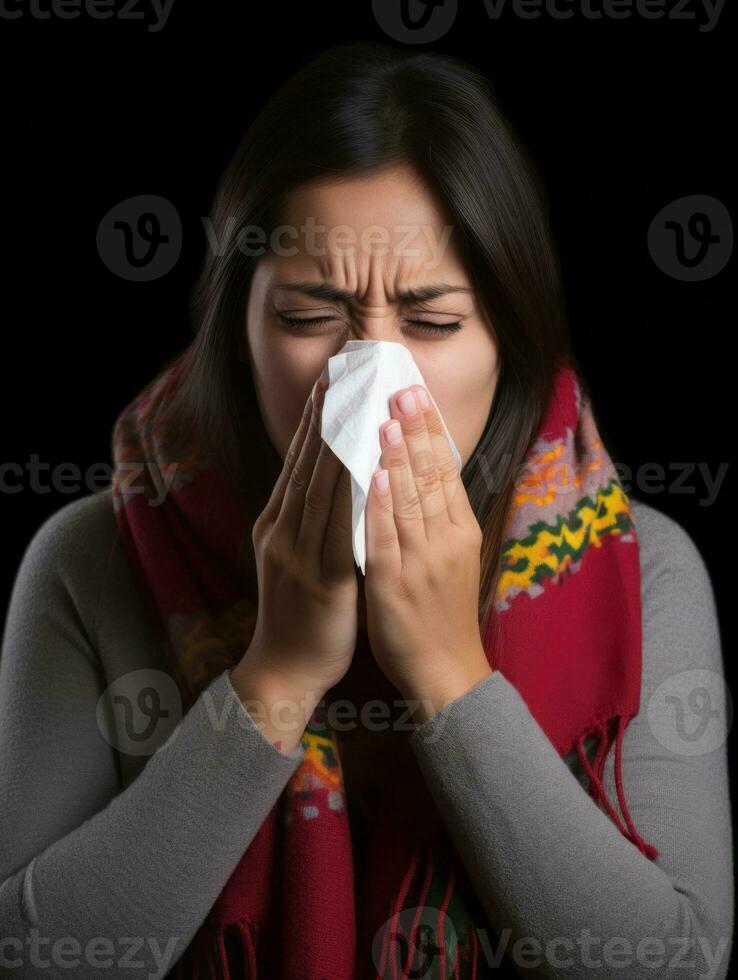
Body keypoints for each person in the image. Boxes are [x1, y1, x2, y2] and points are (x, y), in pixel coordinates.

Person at [0, 41, 733, 980]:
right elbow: (32, 959)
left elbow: (672, 967)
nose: (376, 381)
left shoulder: (641, 564)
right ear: (240, 329)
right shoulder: (94, 556)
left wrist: (449, 678)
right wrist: (278, 674)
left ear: (507, 340)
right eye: (311, 318)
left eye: (432, 323)